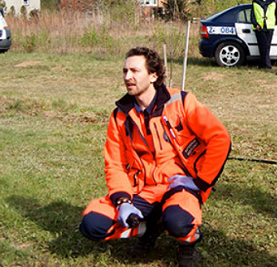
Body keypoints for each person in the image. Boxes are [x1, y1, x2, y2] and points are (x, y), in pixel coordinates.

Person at [80, 47, 232, 267]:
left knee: (179, 222)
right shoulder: (119, 116)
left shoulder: (181, 101)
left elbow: (220, 138)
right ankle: (147, 230)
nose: (127, 77)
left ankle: (188, 242)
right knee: (92, 224)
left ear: (153, 76)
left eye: (134, 70)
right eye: (124, 71)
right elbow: (114, 164)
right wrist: (123, 201)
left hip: (179, 186)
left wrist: (200, 182)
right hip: (142, 189)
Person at [251, 0, 277, 69]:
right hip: (259, 27)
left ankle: (263, 64)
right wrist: (256, 24)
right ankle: (266, 64)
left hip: (269, 26)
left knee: (267, 46)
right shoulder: (255, 2)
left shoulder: (273, 1)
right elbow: (252, 16)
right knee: (262, 46)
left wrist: (275, 22)